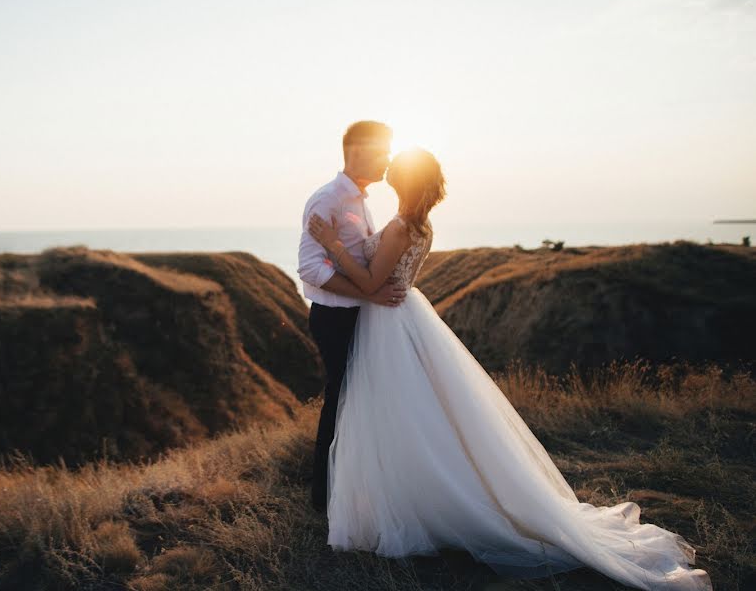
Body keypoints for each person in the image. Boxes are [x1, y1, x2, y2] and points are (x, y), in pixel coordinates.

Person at [306, 148, 713, 591]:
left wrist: (331, 246)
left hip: (386, 321)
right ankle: (404, 493)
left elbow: (368, 284)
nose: (387, 172)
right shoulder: (419, 226)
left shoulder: (401, 227)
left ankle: (412, 500)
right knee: (412, 413)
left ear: (403, 182)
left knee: (397, 412)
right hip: (399, 317)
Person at [297, 121, 408, 513]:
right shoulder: (326, 200)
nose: (389, 159)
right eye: (383, 151)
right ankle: (324, 497)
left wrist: (372, 295)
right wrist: (372, 293)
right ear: (358, 151)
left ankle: (353, 488)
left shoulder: (360, 200)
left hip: (359, 316)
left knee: (358, 401)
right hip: (334, 318)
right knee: (339, 401)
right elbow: (311, 269)